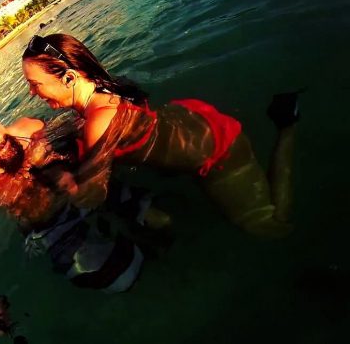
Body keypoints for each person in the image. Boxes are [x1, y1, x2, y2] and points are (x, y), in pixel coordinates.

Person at [21, 33, 301, 239]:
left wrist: (55, 176)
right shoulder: (102, 88)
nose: (33, 93)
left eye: (35, 85)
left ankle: (287, 124)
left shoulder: (99, 122)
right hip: (188, 120)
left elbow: (93, 194)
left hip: (216, 151)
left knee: (268, 225)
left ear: (69, 78)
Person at [0, 102, 168, 335]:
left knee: (160, 219)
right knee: (122, 278)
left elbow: (81, 132)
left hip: (83, 187)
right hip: (56, 228)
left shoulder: (29, 129)